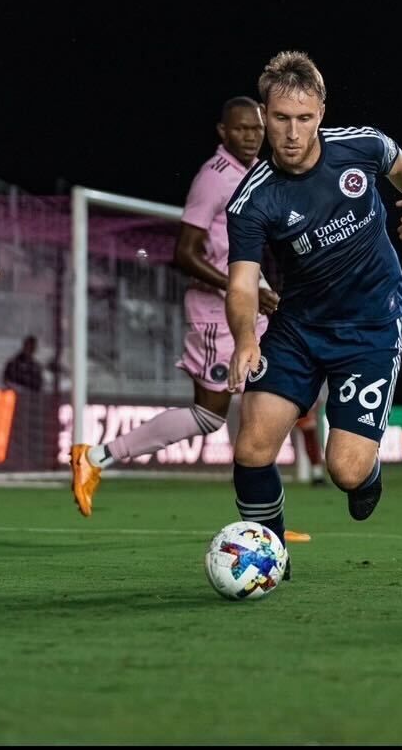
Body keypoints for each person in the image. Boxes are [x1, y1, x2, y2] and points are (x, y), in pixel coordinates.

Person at [223, 50, 402, 552]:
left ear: (321, 113)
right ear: (263, 116)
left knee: (345, 469)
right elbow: (242, 284)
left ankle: (368, 473)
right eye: (279, 119)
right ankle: (267, 552)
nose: (292, 133)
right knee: (251, 449)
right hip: (299, 328)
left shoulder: (362, 147)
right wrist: (246, 338)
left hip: (371, 326)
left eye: (303, 119)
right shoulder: (252, 200)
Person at [69, 97, 280, 517]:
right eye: (241, 129)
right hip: (215, 315)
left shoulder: (256, 172)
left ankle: (264, 521)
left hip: (248, 304)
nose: (252, 136)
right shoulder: (213, 178)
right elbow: (183, 254)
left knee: (268, 400)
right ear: (223, 132)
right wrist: (240, 288)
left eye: (257, 128)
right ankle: (95, 458)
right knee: (209, 416)